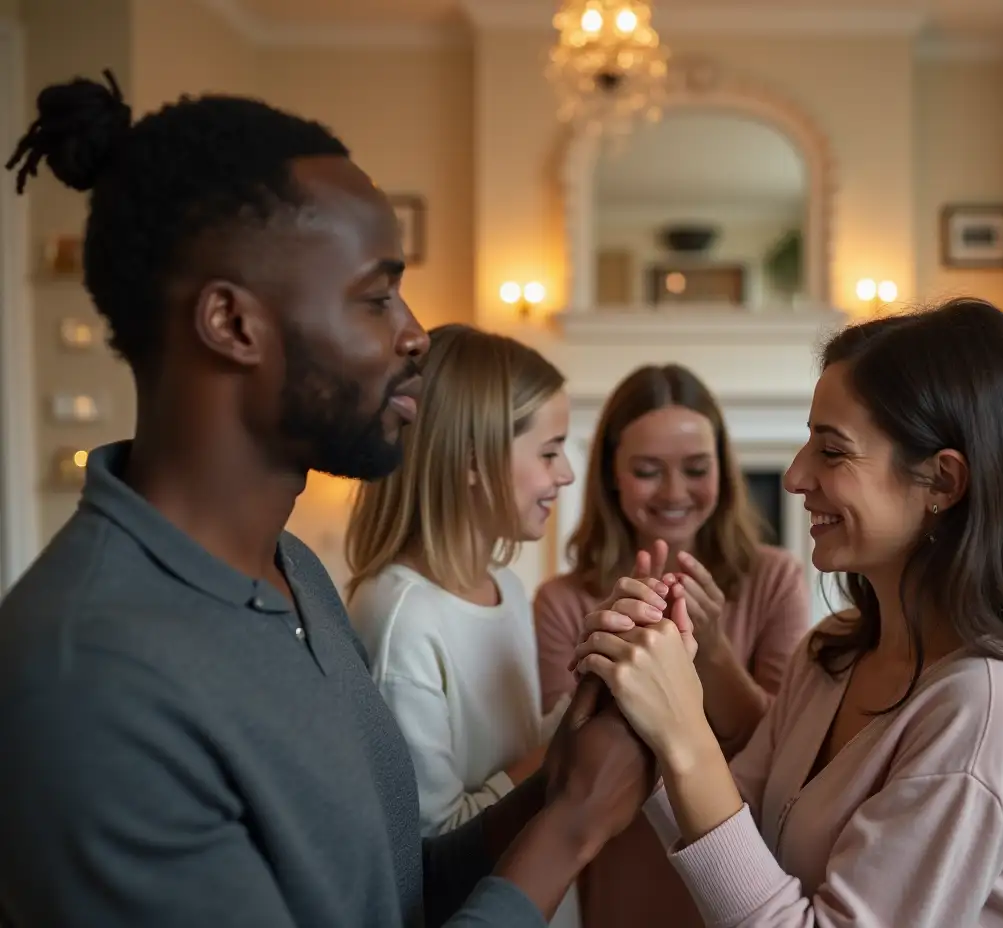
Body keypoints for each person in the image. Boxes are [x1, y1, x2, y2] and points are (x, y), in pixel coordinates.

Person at [0, 71, 655, 928]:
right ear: (233, 325)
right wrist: (566, 833)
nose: (416, 334)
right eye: (378, 296)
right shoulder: (92, 682)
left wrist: (558, 780)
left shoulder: (296, 574)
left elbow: (384, 892)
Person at [572, 300, 1003, 927]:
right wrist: (636, 686)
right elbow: (737, 823)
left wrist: (683, 726)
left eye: (832, 452)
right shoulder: (832, 651)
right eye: (807, 441)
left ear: (942, 482)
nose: (795, 476)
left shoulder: (990, 713)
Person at [535, 363, 811, 928]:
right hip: (619, 869)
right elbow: (564, 771)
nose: (675, 492)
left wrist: (712, 654)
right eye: (646, 470)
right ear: (611, 473)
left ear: (724, 471)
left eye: (696, 468)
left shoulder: (776, 577)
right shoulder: (562, 601)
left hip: (745, 869)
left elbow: (787, 757)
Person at [345, 324, 581, 926]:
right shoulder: (402, 618)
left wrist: (594, 685)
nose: (566, 475)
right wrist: (566, 747)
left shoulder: (507, 590)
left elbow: (520, 753)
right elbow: (434, 845)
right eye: (550, 451)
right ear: (475, 461)